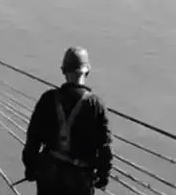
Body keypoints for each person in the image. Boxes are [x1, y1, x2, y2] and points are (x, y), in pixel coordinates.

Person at [22, 47, 113, 194]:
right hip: (80, 181)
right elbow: (104, 147)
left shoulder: (48, 99)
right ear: (87, 71)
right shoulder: (96, 105)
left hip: (49, 177)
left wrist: (31, 168)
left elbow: (33, 139)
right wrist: (103, 176)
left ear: (63, 71)